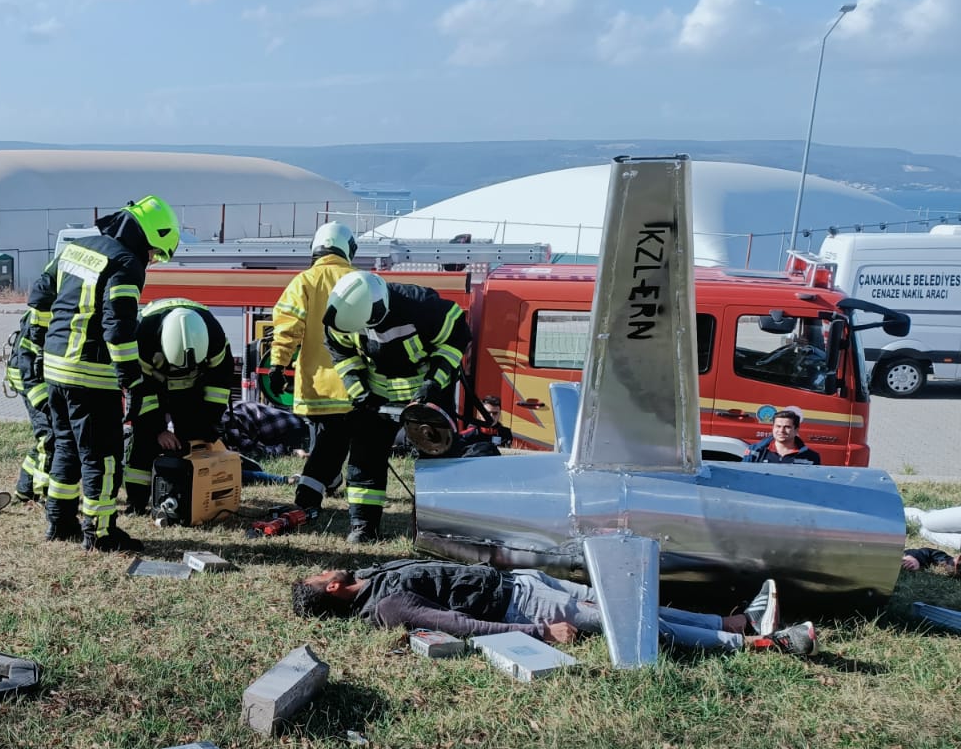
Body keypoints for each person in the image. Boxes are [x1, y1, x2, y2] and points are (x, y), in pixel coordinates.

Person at [36, 195, 180, 553]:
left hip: (55, 368)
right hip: (90, 375)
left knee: (67, 448)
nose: (151, 260)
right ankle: (100, 533)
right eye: (154, 252)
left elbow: (41, 292)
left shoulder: (76, 247)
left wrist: (41, 343)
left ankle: (59, 521)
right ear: (146, 237)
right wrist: (131, 381)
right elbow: (118, 329)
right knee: (104, 456)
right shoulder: (127, 263)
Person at [290, 560, 818, 655]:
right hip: (523, 603)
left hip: (523, 580)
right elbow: (458, 625)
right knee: (631, 625)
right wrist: (540, 632)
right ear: (329, 592)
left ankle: (733, 621)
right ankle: (759, 643)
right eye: (320, 576)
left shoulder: (369, 577)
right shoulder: (388, 606)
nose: (328, 569)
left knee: (630, 603)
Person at [322, 269, 471, 543]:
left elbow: (455, 341)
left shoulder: (424, 308)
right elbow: (342, 354)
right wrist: (360, 391)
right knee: (365, 457)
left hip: (426, 394)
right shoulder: (342, 316)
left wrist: (434, 384)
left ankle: (438, 528)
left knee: (438, 458)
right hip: (376, 397)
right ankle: (363, 526)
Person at [264, 223, 361, 526]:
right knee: (332, 445)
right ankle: (308, 498)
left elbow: (287, 328)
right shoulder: (360, 281)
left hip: (315, 386)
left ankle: (329, 482)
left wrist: (277, 366)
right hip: (352, 385)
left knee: (326, 441)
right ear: (348, 248)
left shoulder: (304, 281)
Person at [123, 298, 234, 514]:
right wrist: (157, 429)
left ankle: (188, 499)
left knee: (192, 439)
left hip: (192, 389)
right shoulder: (143, 335)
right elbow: (140, 391)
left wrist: (208, 423)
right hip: (153, 386)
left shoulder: (214, 335)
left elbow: (219, 385)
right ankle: (136, 504)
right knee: (144, 443)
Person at [4, 306, 53, 503]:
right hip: (31, 380)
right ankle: (44, 493)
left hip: (35, 377)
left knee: (49, 435)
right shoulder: (44, 312)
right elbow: (27, 358)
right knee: (49, 436)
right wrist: (41, 399)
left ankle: (25, 490)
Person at [742, 407, 821, 465]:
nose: (781, 431)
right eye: (778, 426)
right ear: (773, 427)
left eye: (787, 427)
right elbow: (744, 476)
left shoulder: (811, 457)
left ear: (796, 430)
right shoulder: (754, 450)